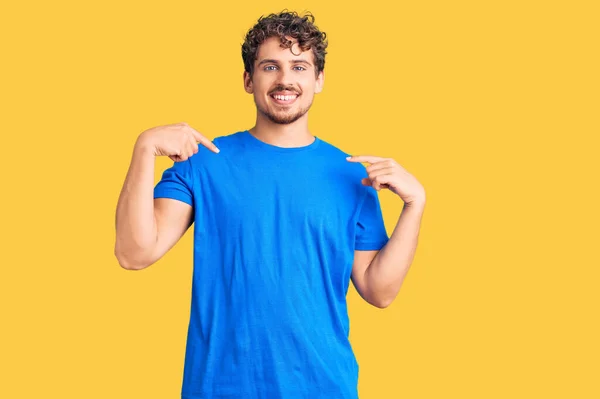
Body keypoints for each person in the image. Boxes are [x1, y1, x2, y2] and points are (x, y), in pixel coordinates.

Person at [115, 9, 426, 399]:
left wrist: (414, 204)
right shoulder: (203, 162)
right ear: (249, 79)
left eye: (299, 66)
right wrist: (144, 149)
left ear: (319, 79)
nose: (285, 80)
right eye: (270, 66)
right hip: (219, 388)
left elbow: (379, 291)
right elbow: (134, 252)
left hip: (324, 386)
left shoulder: (353, 176)